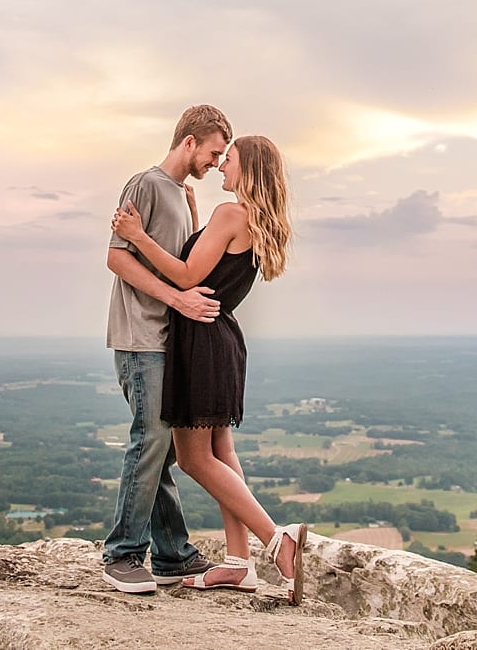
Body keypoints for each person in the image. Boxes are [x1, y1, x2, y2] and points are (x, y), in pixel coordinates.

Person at [111, 134, 308, 605]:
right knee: (222, 451)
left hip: (198, 344)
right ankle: (240, 564)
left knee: (196, 458)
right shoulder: (257, 222)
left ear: (250, 168)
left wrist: (137, 237)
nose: (222, 167)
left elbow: (185, 275)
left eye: (230, 160)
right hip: (222, 340)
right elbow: (208, 260)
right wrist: (195, 218)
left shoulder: (231, 214)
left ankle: (277, 542)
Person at [100, 105, 231, 595]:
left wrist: (195, 216)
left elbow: (182, 261)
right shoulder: (147, 184)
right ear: (189, 141)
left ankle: (172, 553)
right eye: (214, 152)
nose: (218, 163)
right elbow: (117, 256)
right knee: (151, 440)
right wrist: (176, 298)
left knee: (164, 449)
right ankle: (124, 554)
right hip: (140, 338)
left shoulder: (178, 193)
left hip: (165, 340)